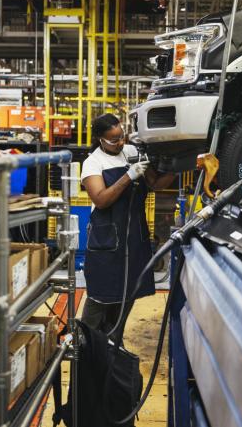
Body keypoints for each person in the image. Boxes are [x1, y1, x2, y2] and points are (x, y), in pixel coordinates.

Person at [80, 113, 175, 344]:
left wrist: (179, 167)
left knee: (125, 300)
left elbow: (154, 184)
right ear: (100, 139)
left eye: (121, 136)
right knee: (100, 301)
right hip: (107, 243)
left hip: (133, 240)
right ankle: (86, 349)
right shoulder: (93, 163)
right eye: (113, 139)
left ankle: (114, 348)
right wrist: (128, 175)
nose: (120, 142)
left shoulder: (131, 152)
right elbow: (101, 199)